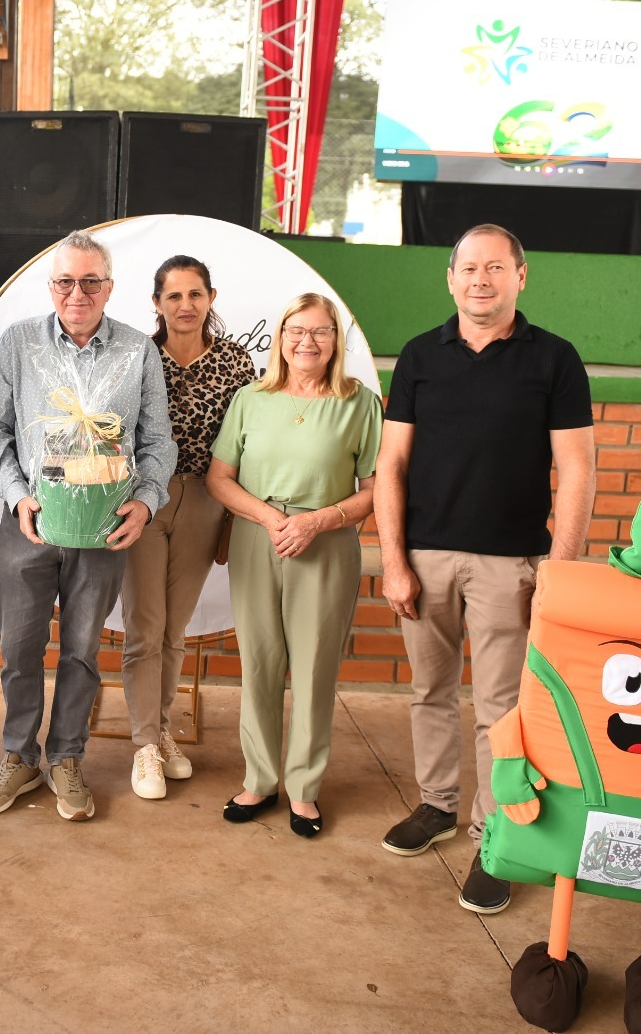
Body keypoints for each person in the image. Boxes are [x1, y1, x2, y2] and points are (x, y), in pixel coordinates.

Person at [375, 223, 595, 913]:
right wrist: (393, 560)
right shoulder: (419, 356)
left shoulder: (555, 359)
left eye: (495, 267)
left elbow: (578, 469)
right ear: (450, 279)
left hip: (511, 565)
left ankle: (495, 836)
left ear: (520, 277)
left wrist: (559, 570)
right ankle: (437, 805)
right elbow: (391, 466)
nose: (480, 279)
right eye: (469, 268)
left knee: (502, 710)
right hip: (425, 559)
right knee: (430, 692)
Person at [0, 230, 176, 821]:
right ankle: (19, 757)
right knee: (19, 648)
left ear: (109, 287)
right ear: (50, 286)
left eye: (90, 282)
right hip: (29, 525)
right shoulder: (19, 344)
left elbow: (157, 441)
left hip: (102, 529)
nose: (77, 293)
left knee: (82, 651)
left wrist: (145, 502)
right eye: (65, 281)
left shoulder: (136, 351)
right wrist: (18, 497)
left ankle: (66, 757)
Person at [206, 293, 382, 839]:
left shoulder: (359, 403)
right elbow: (219, 478)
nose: (307, 341)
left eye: (320, 331)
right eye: (296, 330)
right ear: (281, 338)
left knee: (313, 668)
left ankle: (305, 789)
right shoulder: (250, 399)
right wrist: (269, 518)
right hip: (257, 539)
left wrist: (317, 521)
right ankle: (259, 780)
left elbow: (375, 489)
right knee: (259, 662)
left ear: (336, 340)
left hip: (326, 543)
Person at [119, 256, 256, 799]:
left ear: (211, 297)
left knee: (174, 629)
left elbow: (247, 442)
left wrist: (235, 516)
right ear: (156, 303)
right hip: (141, 500)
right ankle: (144, 745)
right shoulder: (137, 356)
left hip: (206, 499)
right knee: (144, 626)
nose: (185, 305)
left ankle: (161, 730)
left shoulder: (235, 362)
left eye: (195, 294)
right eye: (173, 296)